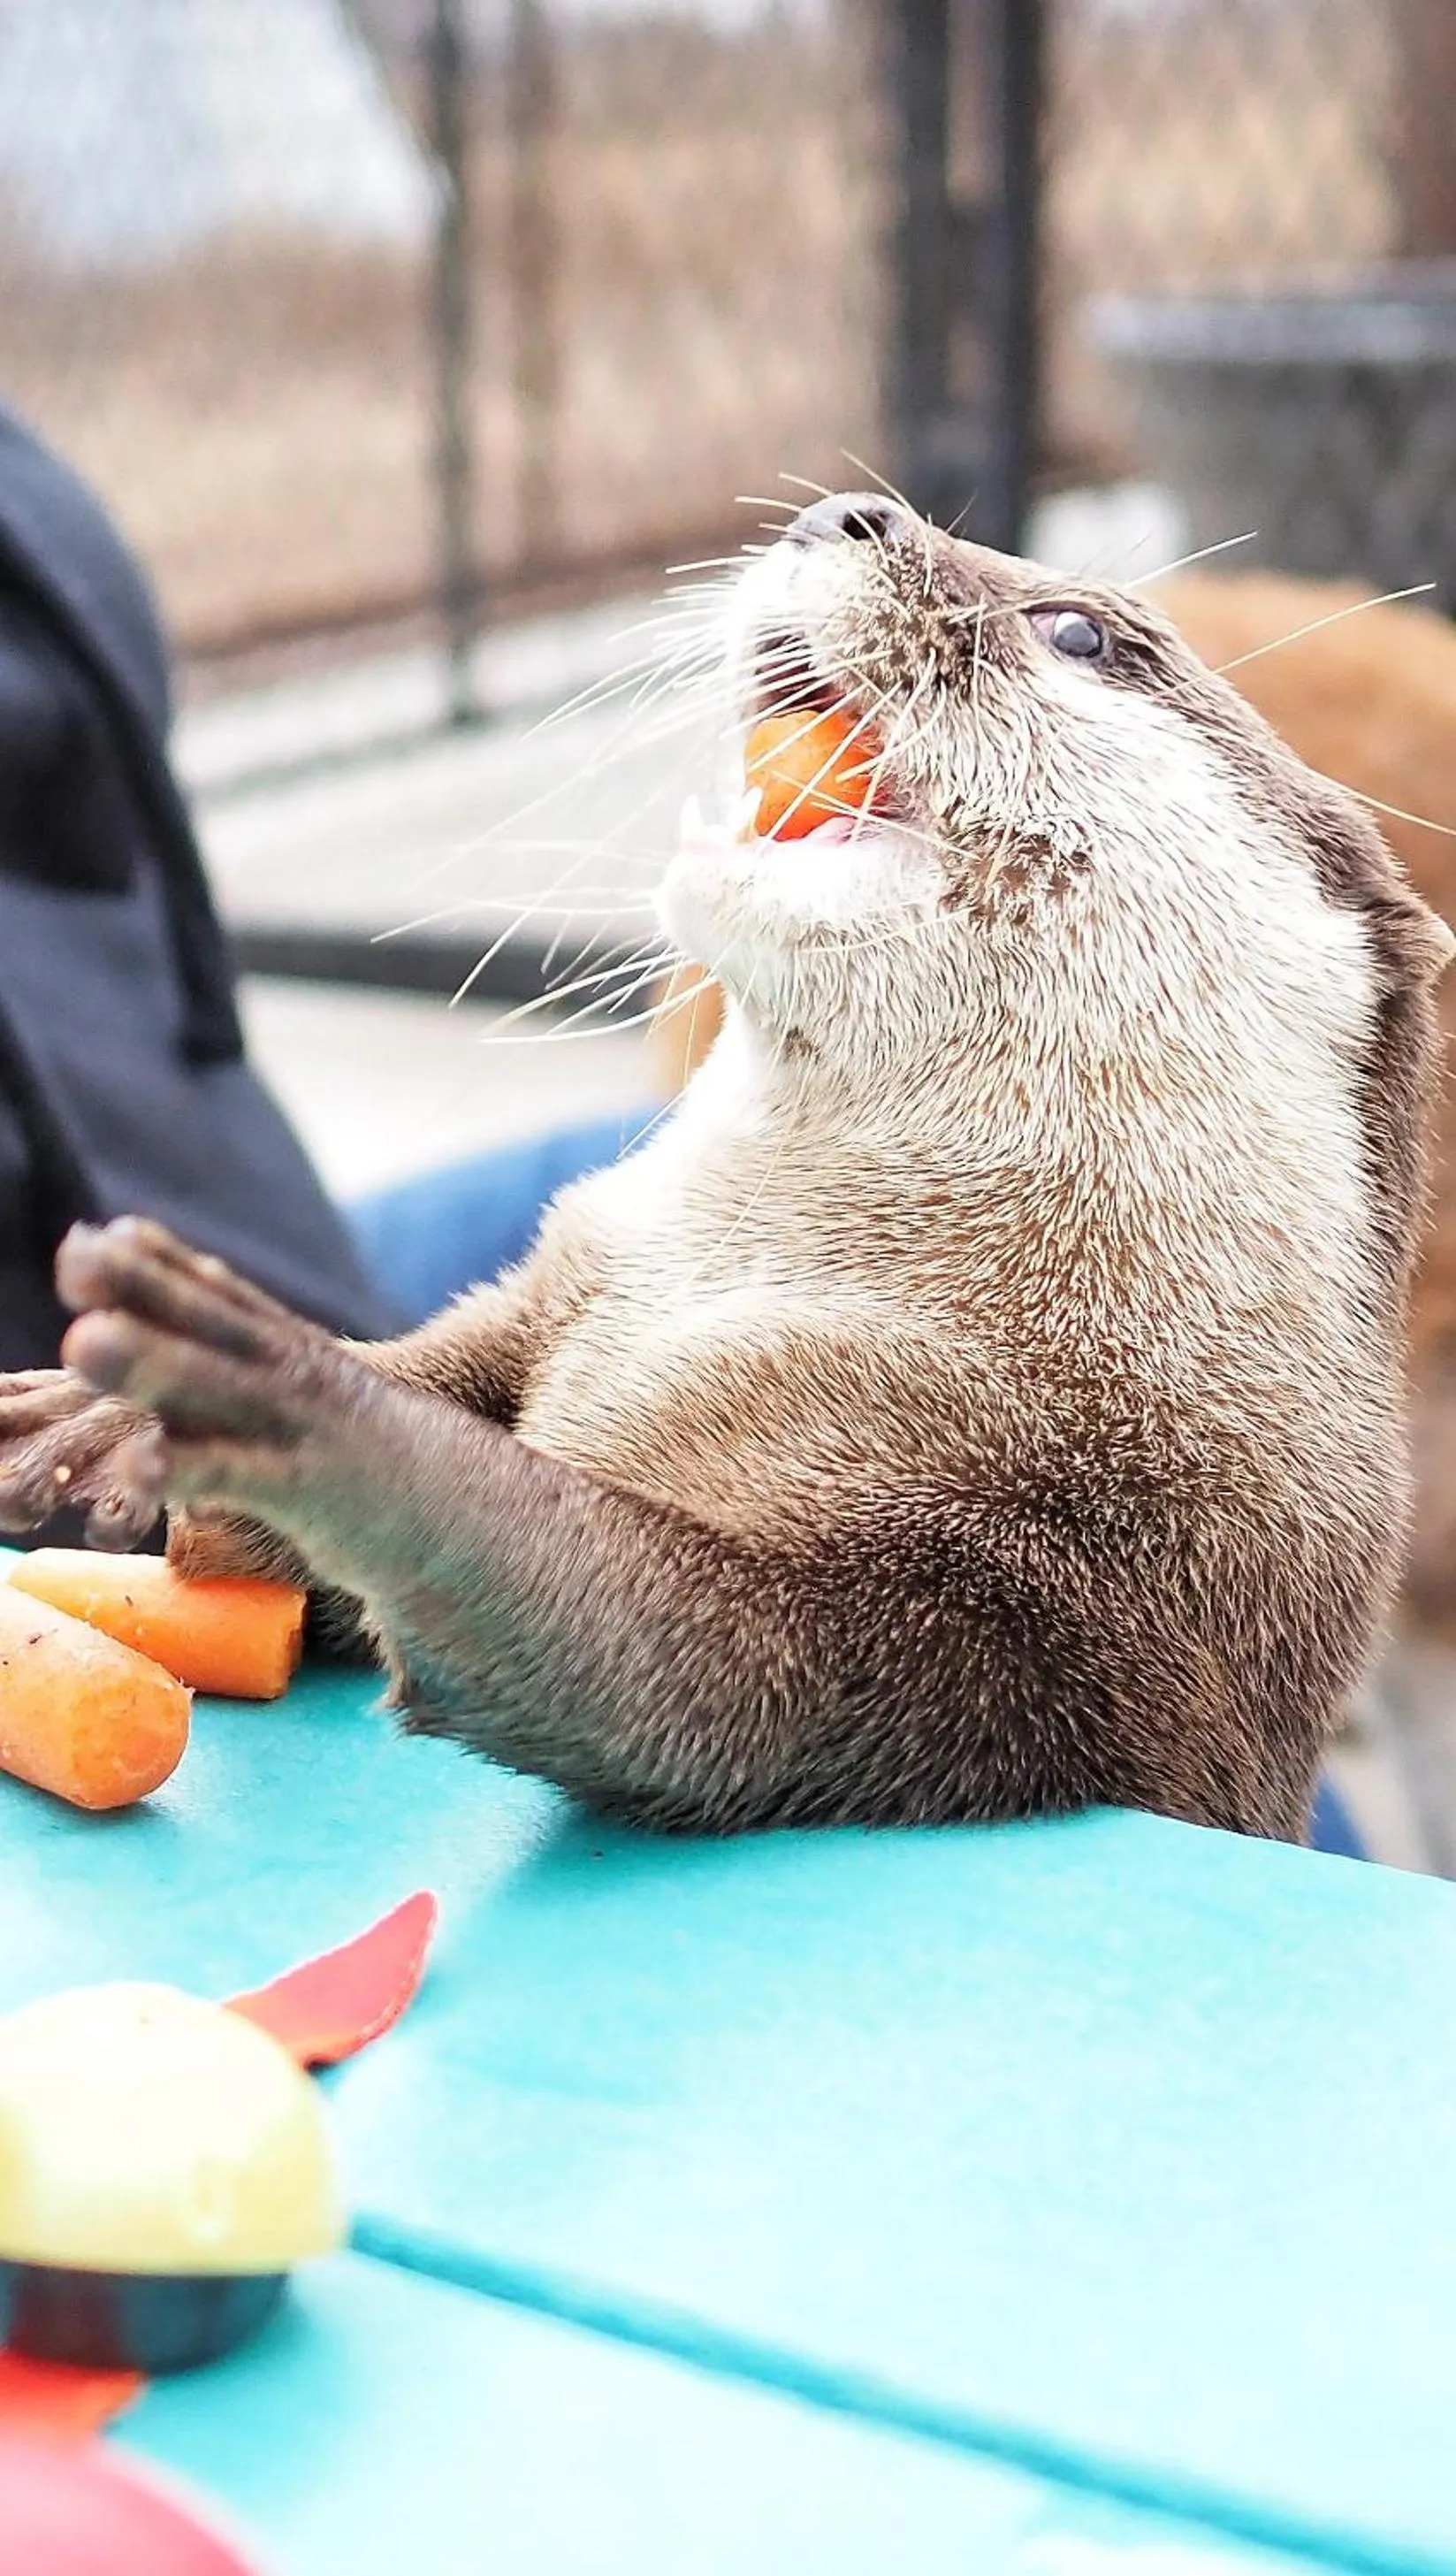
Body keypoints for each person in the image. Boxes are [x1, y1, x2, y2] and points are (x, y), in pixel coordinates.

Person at [0, 405, 1364, 1859]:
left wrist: (336, 1432)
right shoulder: (663, 1263)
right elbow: (531, 1479)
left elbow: (746, 1682)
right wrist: (324, 1439)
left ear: (1332, 942)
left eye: (1074, 640)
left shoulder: (1147, 1478)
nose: (852, 525)